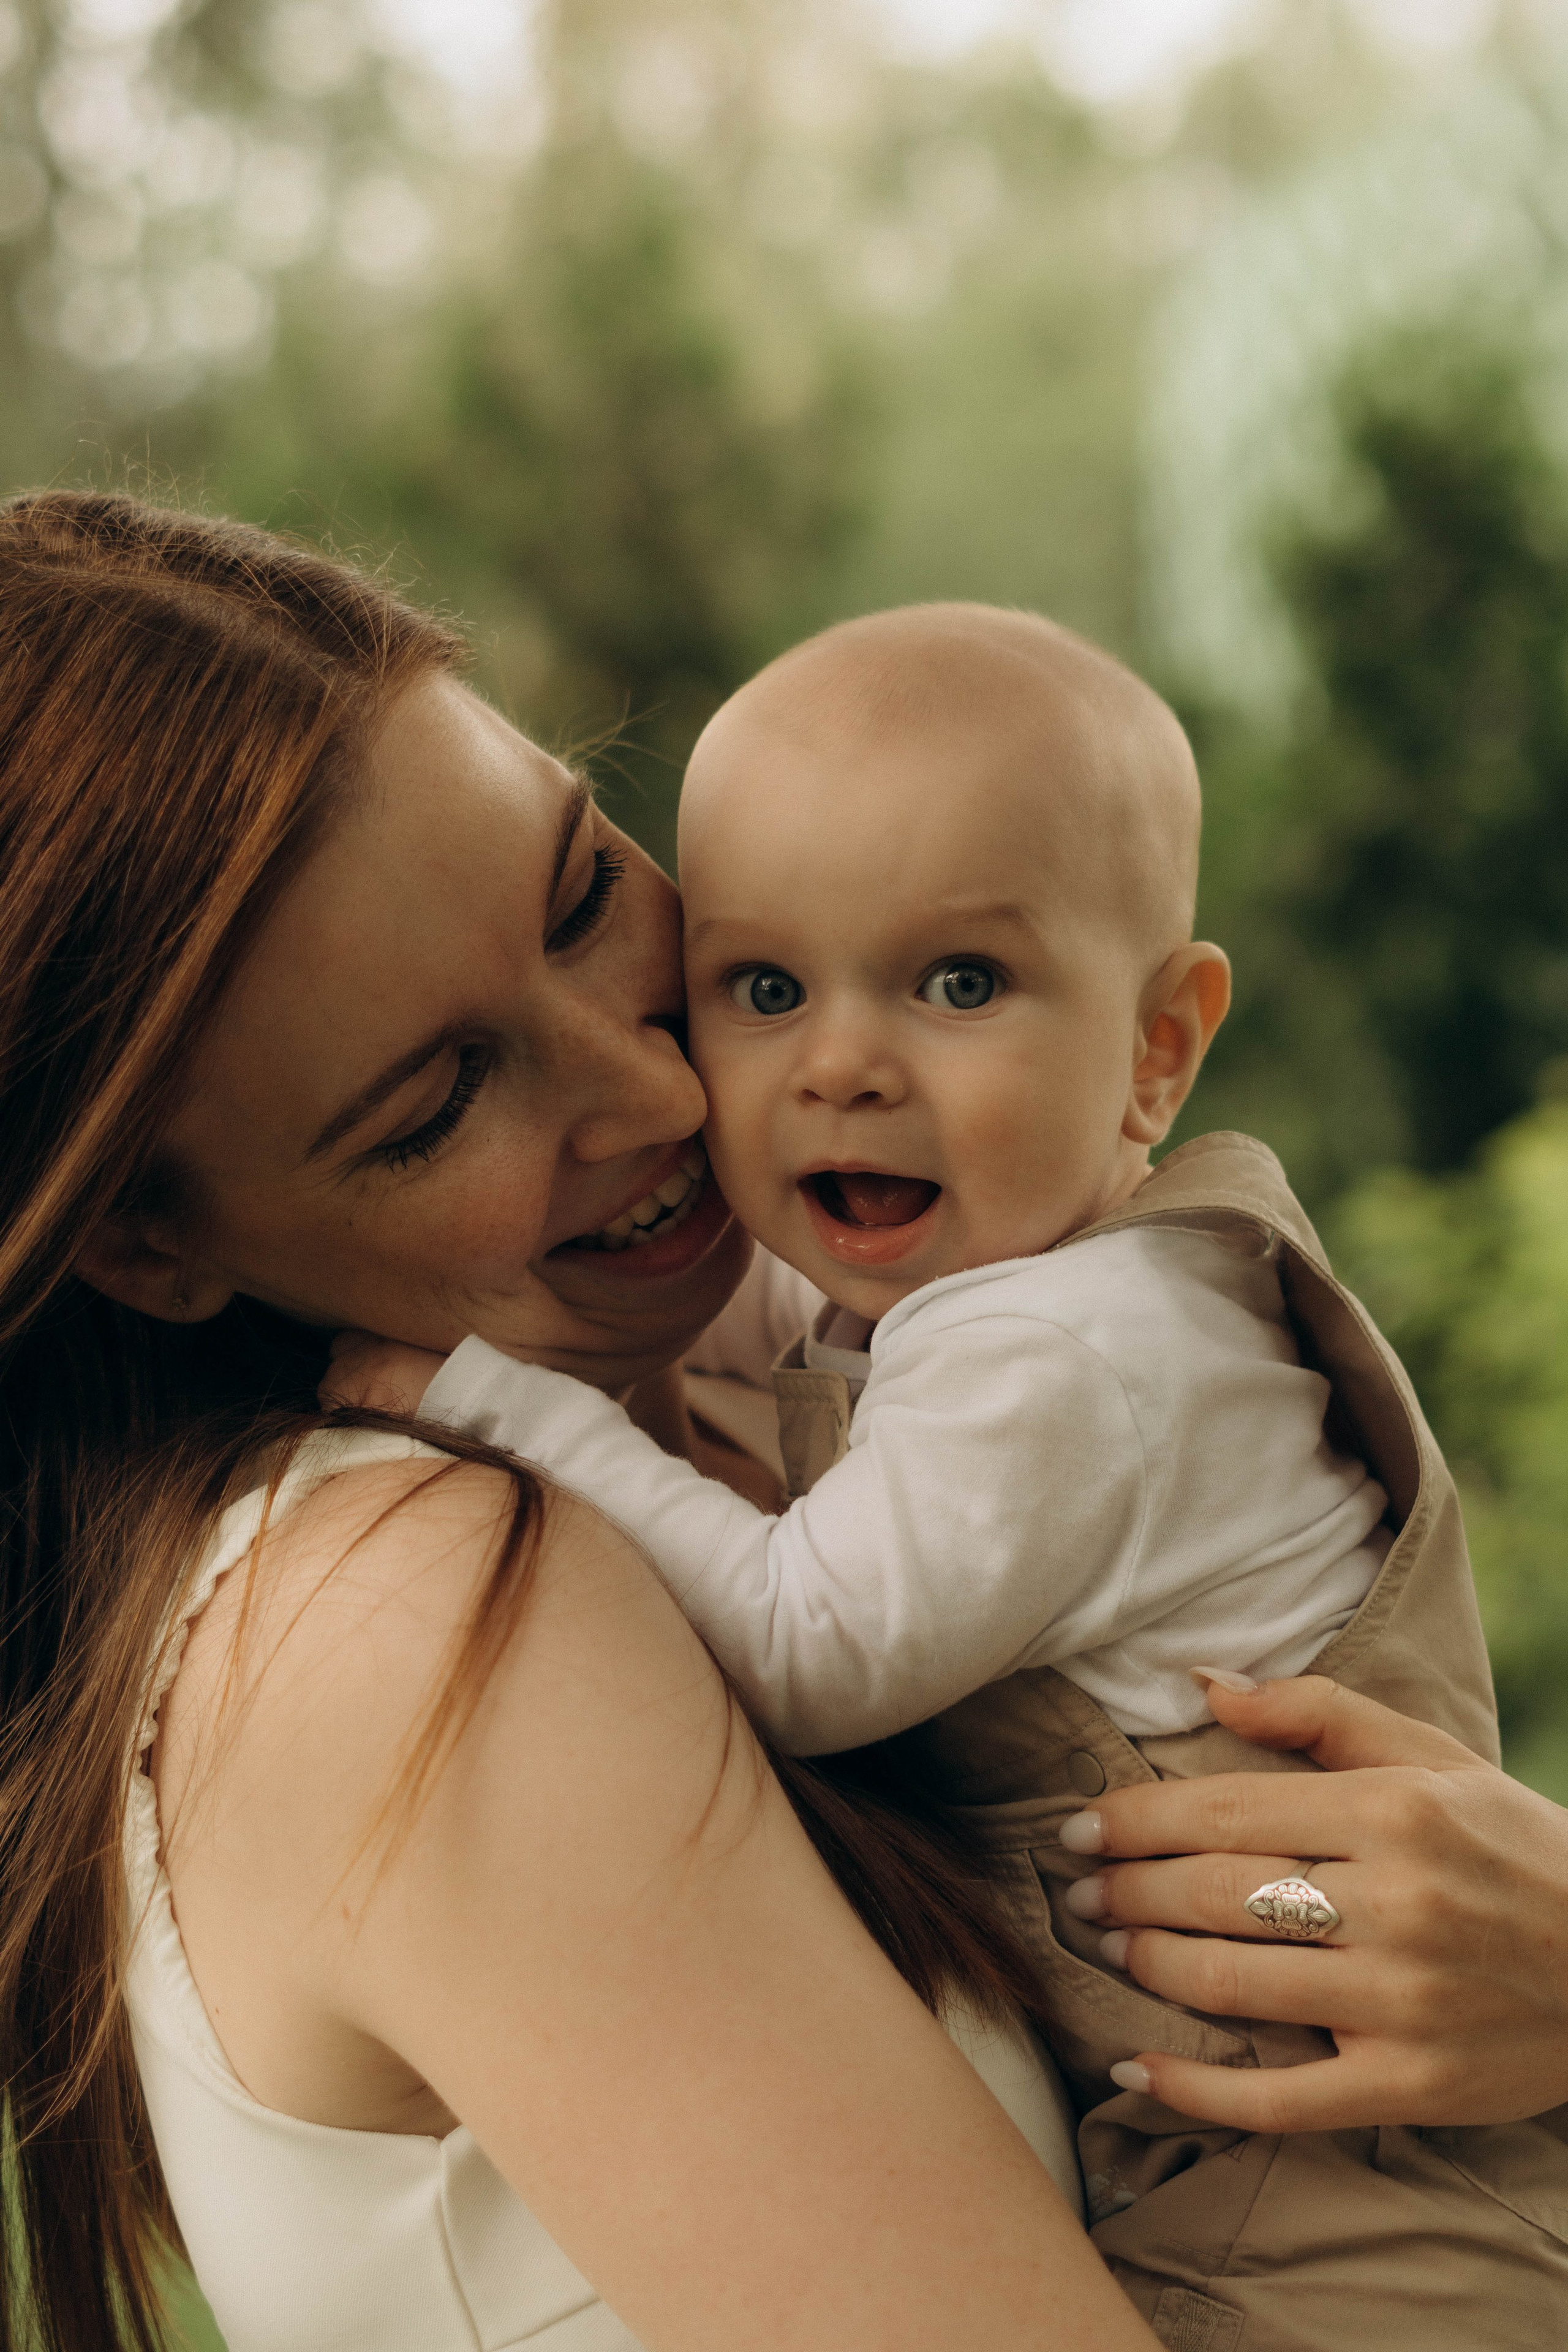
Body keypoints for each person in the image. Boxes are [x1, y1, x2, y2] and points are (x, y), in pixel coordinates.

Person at [328, 605, 1568, 2345]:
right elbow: (793, 1342)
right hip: (1269, 2130)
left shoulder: (1070, 1358)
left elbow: (808, 1646)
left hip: (1359, 2188)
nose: (839, 1063)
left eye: (959, 983)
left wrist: (509, 1410)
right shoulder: (998, 1294)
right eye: (765, 990)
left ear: (1156, 1048)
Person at [0, 494, 1158, 2352]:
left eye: (583, 893)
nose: (652, 1082)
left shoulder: (751, 1415)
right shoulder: (398, 1617)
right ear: (152, 1249)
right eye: (436, 1103)